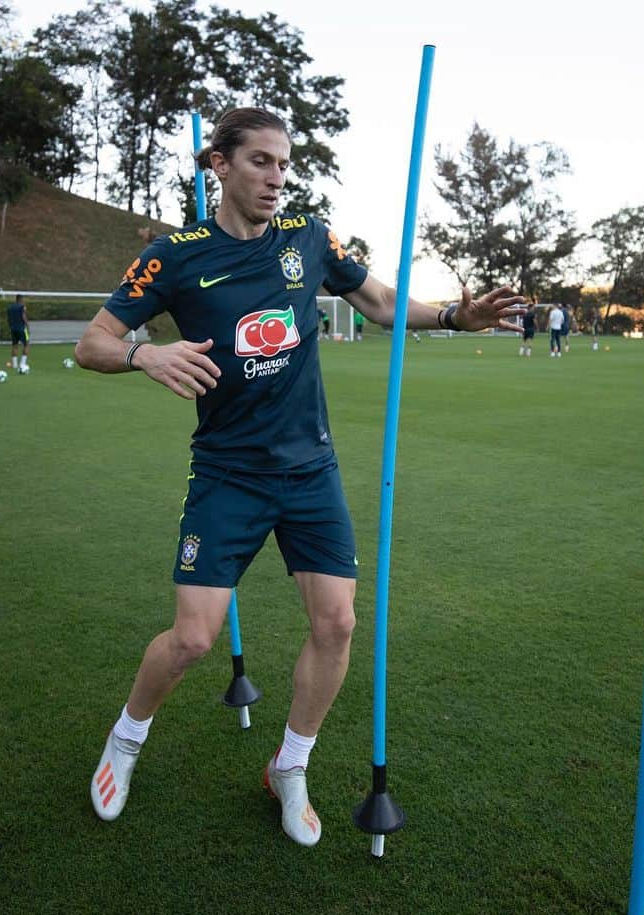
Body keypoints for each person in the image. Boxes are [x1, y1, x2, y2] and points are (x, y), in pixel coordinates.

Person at [74, 107, 525, 847]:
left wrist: (451, 315)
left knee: (338, 622)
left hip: (310, 469)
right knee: (192, 639)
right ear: (217, 165)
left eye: (284, 163)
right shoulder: (174, 255)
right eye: (260, 161)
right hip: (227, 473)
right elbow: (94, 341)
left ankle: (290, 763)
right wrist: (145, 355)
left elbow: (377, 301)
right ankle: (125, 741)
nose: (277, 177)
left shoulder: (310, 239)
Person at [7, 294, 30, 373]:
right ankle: (22, 364)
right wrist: (27, 325)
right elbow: (23, 316)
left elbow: (9, 318)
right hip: (21, 329)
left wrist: (11, 326)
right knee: (26, 344)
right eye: (23, 299)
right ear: (20, 299)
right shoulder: (22, 306)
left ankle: (14, 365)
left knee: (15, 345)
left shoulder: (10, 307)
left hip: (13, 329)